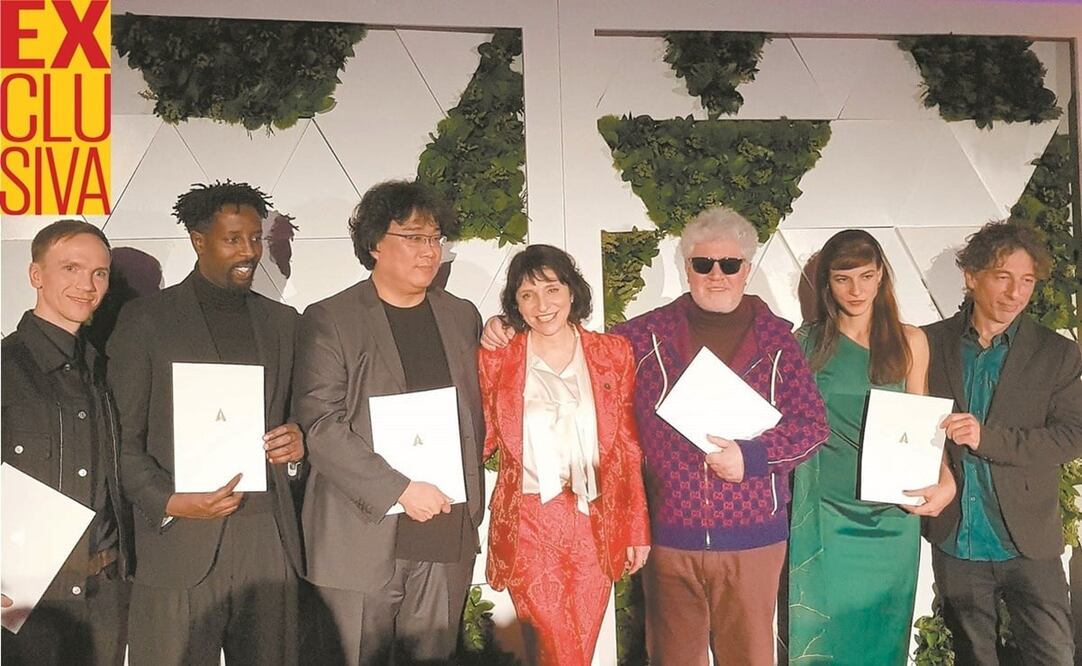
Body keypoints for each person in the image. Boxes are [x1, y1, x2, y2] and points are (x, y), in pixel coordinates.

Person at [483, 207, 828, 665]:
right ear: (688, 268)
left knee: (748, 657)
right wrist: (502, 328)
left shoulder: (777, 341)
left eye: (730, 264)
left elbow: (812, 425)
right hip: (672, 535)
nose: (717, 274)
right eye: (704, 264)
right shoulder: (642, 337)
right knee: (670, 658)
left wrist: (755, 456)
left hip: (751, 533)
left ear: (747, 268)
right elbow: (571, 351)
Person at [107, 182, 306, 665]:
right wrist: (170, 500)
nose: (249, 252)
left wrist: (298, 444)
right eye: (233, 239)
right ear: (198, 240)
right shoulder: (146, 321)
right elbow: (120, 440)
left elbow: (301, 418)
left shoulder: (284, 322)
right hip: (179, 543)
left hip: (267, 544)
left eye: (256, 239)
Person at [294, 180, 485, 665]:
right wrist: (400, 488)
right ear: (375, 243)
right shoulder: (331, 318)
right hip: (361, 533)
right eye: (413, 237)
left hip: (445, 530)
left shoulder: (462, 316)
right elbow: (320, 425)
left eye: (436, 238)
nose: (429, 251)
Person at [786, 229, 955, 665]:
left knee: (883, 638)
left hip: (892, 517)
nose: (856, 289)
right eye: (844, 278)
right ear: (827, 284)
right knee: (827, 636)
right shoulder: (805, 344)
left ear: (882, 278)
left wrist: (946, 479)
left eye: (866, 276)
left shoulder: (910, 340)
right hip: (826, 513)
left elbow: (924, 425)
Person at [478, 244, 650, 665]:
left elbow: (627, 445)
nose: (542, 305)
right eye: (527, 295)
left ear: (572, 291)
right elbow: (480, 439)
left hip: (596, 521)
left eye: (552, 289)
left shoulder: (612, 353)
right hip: (529, 521)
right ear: (514, 305)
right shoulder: (500, 358)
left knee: (580, 648)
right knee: (555, 650)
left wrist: (636, 527)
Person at [923, 221, 1082, 665]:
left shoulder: (1057, 353)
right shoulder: (929, 343)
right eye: (1003, 277)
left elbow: (1072, 437)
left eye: (1027, 280)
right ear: (971, 276)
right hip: (957, 539)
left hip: (1028, 540)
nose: (1016, 292)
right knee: (974, 657)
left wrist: (987, 438)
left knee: (1052, 655)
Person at [1, 220, 133, 666]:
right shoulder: (5, 369)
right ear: (36, 275)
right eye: (71, 268)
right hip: (27, 599)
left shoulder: (105, 371)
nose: (87, 284)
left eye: (99, 272)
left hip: (106, 592)